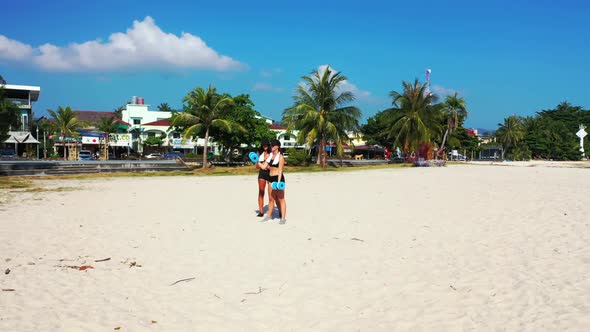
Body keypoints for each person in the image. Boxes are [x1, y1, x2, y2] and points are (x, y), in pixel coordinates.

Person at [264, 139, 287, 224]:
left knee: (281, 198)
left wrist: (278, 182)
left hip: (279, 178)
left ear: (277, 146)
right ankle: (269, 216)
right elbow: (263, 166)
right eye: (271, 145)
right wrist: (256, 161)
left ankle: (283, 218)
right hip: (270, 178)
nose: (271, 147)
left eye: (273, 145)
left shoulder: (280, 157)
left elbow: (280, 170)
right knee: (271, 198)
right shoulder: (270, 156)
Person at [255, 139, 272, 217]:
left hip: (271, 174)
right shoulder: (260, 154)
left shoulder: (272, 153)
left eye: (266, 145)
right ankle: (261, 211)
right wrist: (260, 164)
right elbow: (256, 166)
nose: (265, 146)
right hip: (262, 173)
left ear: (268, 145)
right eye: (263, 145)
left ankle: (272, 211)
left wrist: (269, 167)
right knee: (261, 192)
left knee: (271, 194)